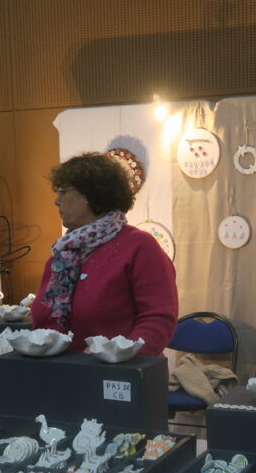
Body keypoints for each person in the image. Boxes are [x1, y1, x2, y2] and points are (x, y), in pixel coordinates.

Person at [30, 152, 178, 356]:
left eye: (63, 192)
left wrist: (118, 356)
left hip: (120, 370)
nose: (57, 201)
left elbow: (157, 319)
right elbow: (45, 320)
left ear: (88, 196)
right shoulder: (63, 252)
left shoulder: (139, 246)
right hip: (63, 369)